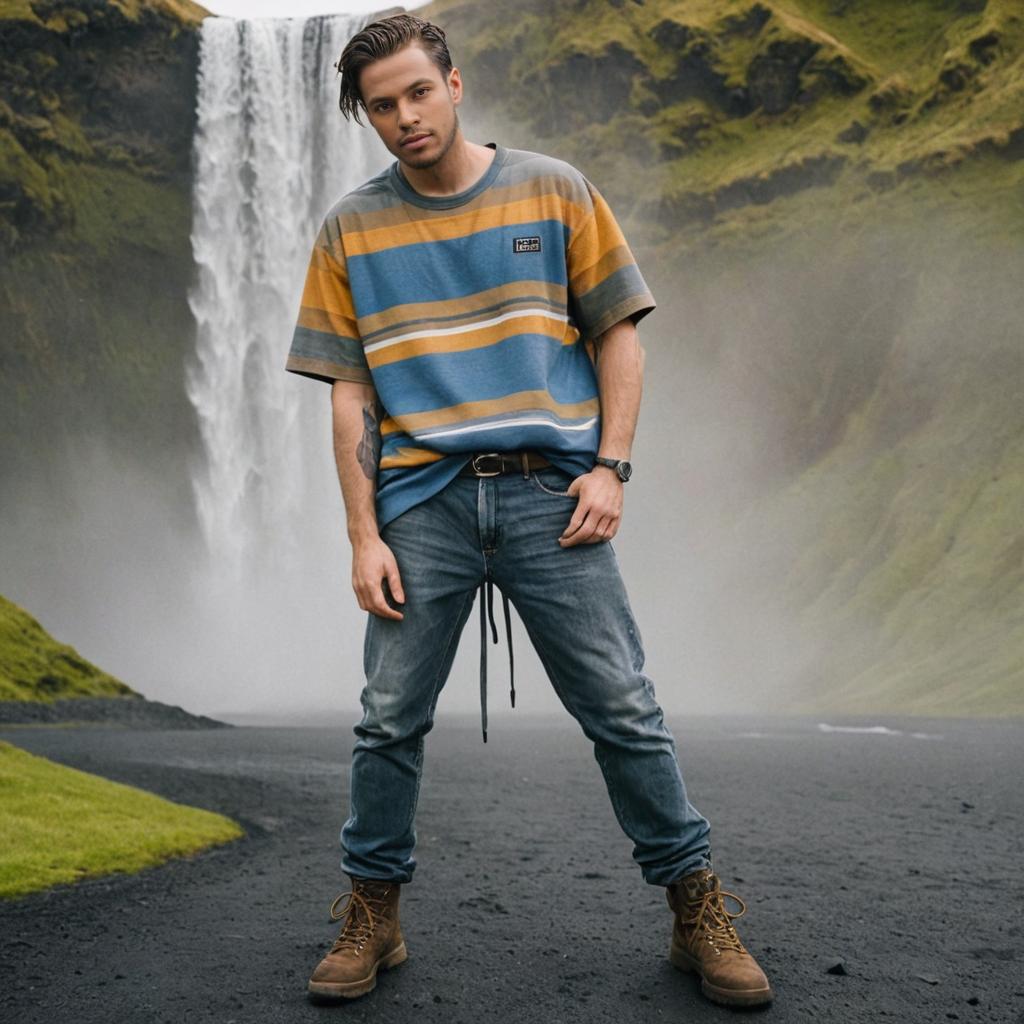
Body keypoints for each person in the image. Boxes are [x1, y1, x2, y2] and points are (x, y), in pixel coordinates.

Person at [284, 12, 774, 1010]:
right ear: (366, 117)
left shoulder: (554, 187)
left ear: (454, 86)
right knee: (386, 720)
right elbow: (350, 394)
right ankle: (372, 912)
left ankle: (696, 907)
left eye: (419, 92)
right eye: (382, 105)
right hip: (420, 499)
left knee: (624, 709)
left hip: (554, 495)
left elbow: (618, 335)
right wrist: (360, 533)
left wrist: (612, 468)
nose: (404, 116)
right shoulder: (349, 228)